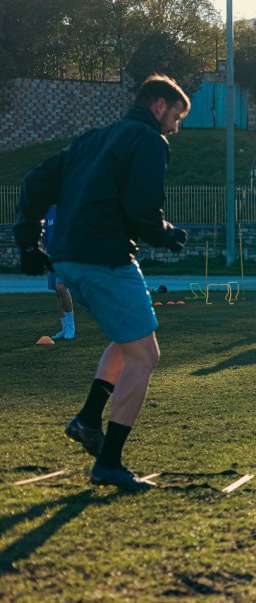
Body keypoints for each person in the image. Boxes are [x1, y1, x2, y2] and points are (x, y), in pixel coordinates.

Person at [14, 74, 190, 491]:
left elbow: (35, 183)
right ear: (160, 106)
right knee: (145, 356)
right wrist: (165, 233)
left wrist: (29, 244)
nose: (175, 127)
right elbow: (141, 205)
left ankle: (88, 419)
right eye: (177, 116)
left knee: (127, 339)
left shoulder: (92, 138)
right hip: (105, 257)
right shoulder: (148, 140)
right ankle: (109, 462)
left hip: (71, 259)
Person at [43, 205, 76, 340]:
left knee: (61, 287)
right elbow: (45, 233)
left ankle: (71, 326)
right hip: (51, 256)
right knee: (57, 293)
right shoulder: (48, 210)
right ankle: (64, 328)